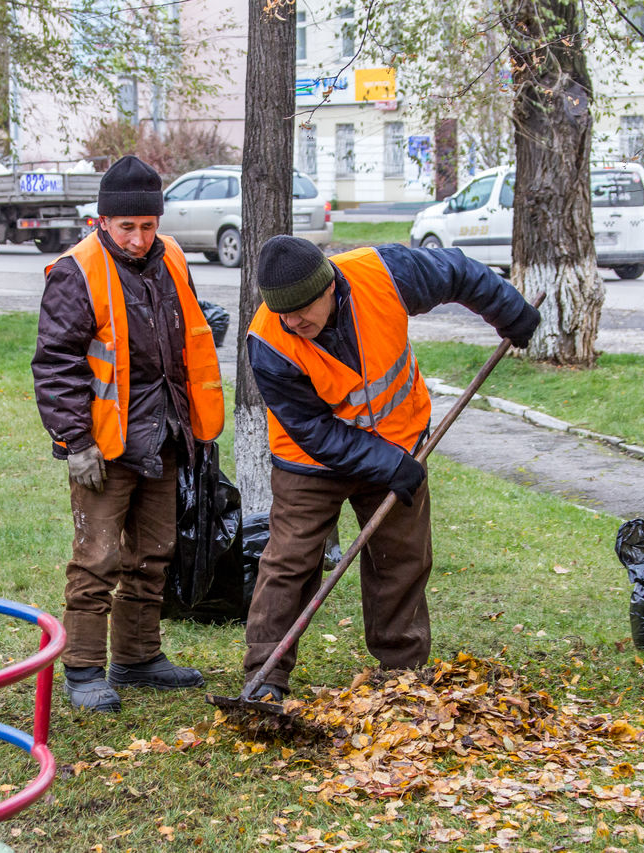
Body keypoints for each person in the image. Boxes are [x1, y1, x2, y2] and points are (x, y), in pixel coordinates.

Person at [241, 236, 541, 701]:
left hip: (400, 437)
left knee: (400, 556)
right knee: (290, 560)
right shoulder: (268, 341)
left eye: (302, 309)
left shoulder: (383, 273)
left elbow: (457, 272)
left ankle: (401, 671)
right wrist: (384, 463)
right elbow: (313, 430)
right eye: (285, 314)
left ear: (329, 286)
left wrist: (509, 310)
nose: (295, 322)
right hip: (309, 462)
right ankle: (266, 675)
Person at [32, 155, 225, 712]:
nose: (139, 239)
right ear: (102, 221)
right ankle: (85, 670)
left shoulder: (172, 259)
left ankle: (138, 659)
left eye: (148, 226)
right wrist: (75, 441)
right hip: (104, 444)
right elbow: (55, 364)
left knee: (154, 552)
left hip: (164, 432)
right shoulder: (77, 271)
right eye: (127, 228)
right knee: (97, 557)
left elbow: (175, 330)